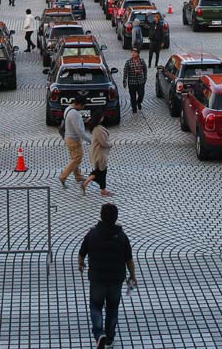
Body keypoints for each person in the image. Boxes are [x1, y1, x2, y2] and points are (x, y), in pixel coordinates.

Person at [78, 203, 136, 349]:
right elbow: (129, 259)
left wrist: (81, 264)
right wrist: (132, 276)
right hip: (116, 279)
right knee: (112, 308)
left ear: (101, 216)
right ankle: (109, 338)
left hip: (97, 278)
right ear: (116, 217)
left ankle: (99, 334)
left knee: (95, 306)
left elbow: (82, 252)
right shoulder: (122, 236)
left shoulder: (92, 234)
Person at [59, 96, 91, 188]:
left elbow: (72, 123)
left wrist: (82, 120)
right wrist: (90, 140)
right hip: (74, 140)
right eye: (82, 106)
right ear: (79, 104)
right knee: (77, 159)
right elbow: (79, 131)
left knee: (74, 158)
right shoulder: (74, 114)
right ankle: (63, 176)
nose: (83, 108)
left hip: (68, 138)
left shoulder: (68, 109)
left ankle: (78, 176)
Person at [82, 114, 112, 196]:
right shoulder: (98, 129)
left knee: (100, 171)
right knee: (101, 171)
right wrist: (110, 144)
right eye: (102, 116)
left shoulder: (97, 128)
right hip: (100, 153)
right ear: (99, 118)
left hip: (99, 152)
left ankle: (87, 184)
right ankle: (102, 190)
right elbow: (103, 142)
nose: (103, 117)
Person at [122, 49, 146, 114]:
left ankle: (139, 102)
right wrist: (124, 81)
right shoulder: (128, 62)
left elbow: (145, 69)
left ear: (138, 53)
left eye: (134, 52)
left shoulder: (141, 61)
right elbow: (125, 72)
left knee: (141, 94)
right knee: (133, 96)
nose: (133, 53)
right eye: (132, 52)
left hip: (140, 82)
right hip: (132, 82)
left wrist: (145, 78)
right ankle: (134, 108)